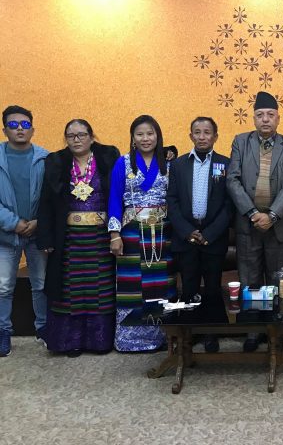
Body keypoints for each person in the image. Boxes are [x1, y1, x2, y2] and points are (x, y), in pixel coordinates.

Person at [36, 120, 120, 356]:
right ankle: (70, 342)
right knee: (70, 290)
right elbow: (46, 201)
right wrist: (46, 238)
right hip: (68, 238)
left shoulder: (108, 157)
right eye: (71, 135)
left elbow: (118, 193)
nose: (76, 139)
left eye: (82, 135)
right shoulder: (56, 161)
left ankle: (99, 342)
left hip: (101, 237)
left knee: (99, 289)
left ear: (92, 137)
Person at [226, 91, 283, 352]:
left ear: (278, 118)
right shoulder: (240, 142)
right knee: (251, 281)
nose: (265, 119)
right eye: (260, 115)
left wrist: (272, 215)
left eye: (270, 115)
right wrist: (251, 213)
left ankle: (278, 332)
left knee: (279, 281)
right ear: (254, 118)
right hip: (249, 225)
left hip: (279, 225)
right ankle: (254, 331)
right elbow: (232, 179)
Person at [108, 115, 176, 352]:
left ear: (158, 136)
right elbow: (114, 198)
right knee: (132, 284)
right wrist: (114, 234)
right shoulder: (123, 162)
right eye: (140, 134)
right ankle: (130, 340)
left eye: (150, 133)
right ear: (133, 138)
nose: (145, 138)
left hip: (162, 232)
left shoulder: (169, 162)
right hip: (131, 232)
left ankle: (163, 337)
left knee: (162, 283)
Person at [167, 116, 232, 352]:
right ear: (190, 136)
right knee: (189, 287)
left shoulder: (226, 164)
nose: (202, 137)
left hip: (213, 237)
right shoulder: (178, 165)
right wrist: (187, 232)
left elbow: (229, 204)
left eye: (207, 132)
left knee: (213, 288)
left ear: (215, 137)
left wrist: (210, 234)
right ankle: (190, 333)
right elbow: (172, 201)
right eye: (197, 132)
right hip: (186, 237)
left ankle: (211, 333)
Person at [0, 105, 48, 357]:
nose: (20, 129)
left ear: (32, 129)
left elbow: (51, 197)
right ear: (5, 129)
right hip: (5, 235)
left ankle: (44, 329)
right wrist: (14, 222)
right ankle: (3, 332)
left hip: (36, 233)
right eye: (13, 124)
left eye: (25, 124)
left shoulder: (45, 158)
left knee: (40, 284)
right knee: (3, 287)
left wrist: (38, 221)